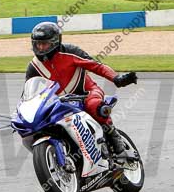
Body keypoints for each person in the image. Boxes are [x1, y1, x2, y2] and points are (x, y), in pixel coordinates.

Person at [26, 22, 138, 158]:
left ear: (55, 42)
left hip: (86, 93)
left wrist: (116, 78)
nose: (41, 48)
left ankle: (116, 142)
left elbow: (97, 66)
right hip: (59, 103)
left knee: (96, 107)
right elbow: (29, 92)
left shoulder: (71, 52)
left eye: (45, 44)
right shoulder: (34, 66)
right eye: (38, 44)